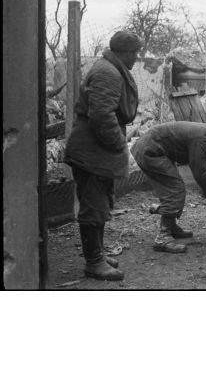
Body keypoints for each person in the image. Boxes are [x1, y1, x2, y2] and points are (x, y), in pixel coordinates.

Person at [65, 30, 143, 281]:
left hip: (95, 149)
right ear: (126, 52)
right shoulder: (108, 72)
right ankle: (94, 261)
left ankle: (96, 253)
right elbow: (102, 115)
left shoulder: (109, 68)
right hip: (92, 149)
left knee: (100, 202)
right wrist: (119, 144)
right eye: (135, 53)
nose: (136, 58)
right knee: (94, 205)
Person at [131, 118, 206, 253]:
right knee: (175, 190)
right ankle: (162, 237)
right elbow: (200, 174)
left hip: (150, 148)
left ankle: (171, 226)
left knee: (175, 188)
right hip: (150, 151)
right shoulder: (202, 140)